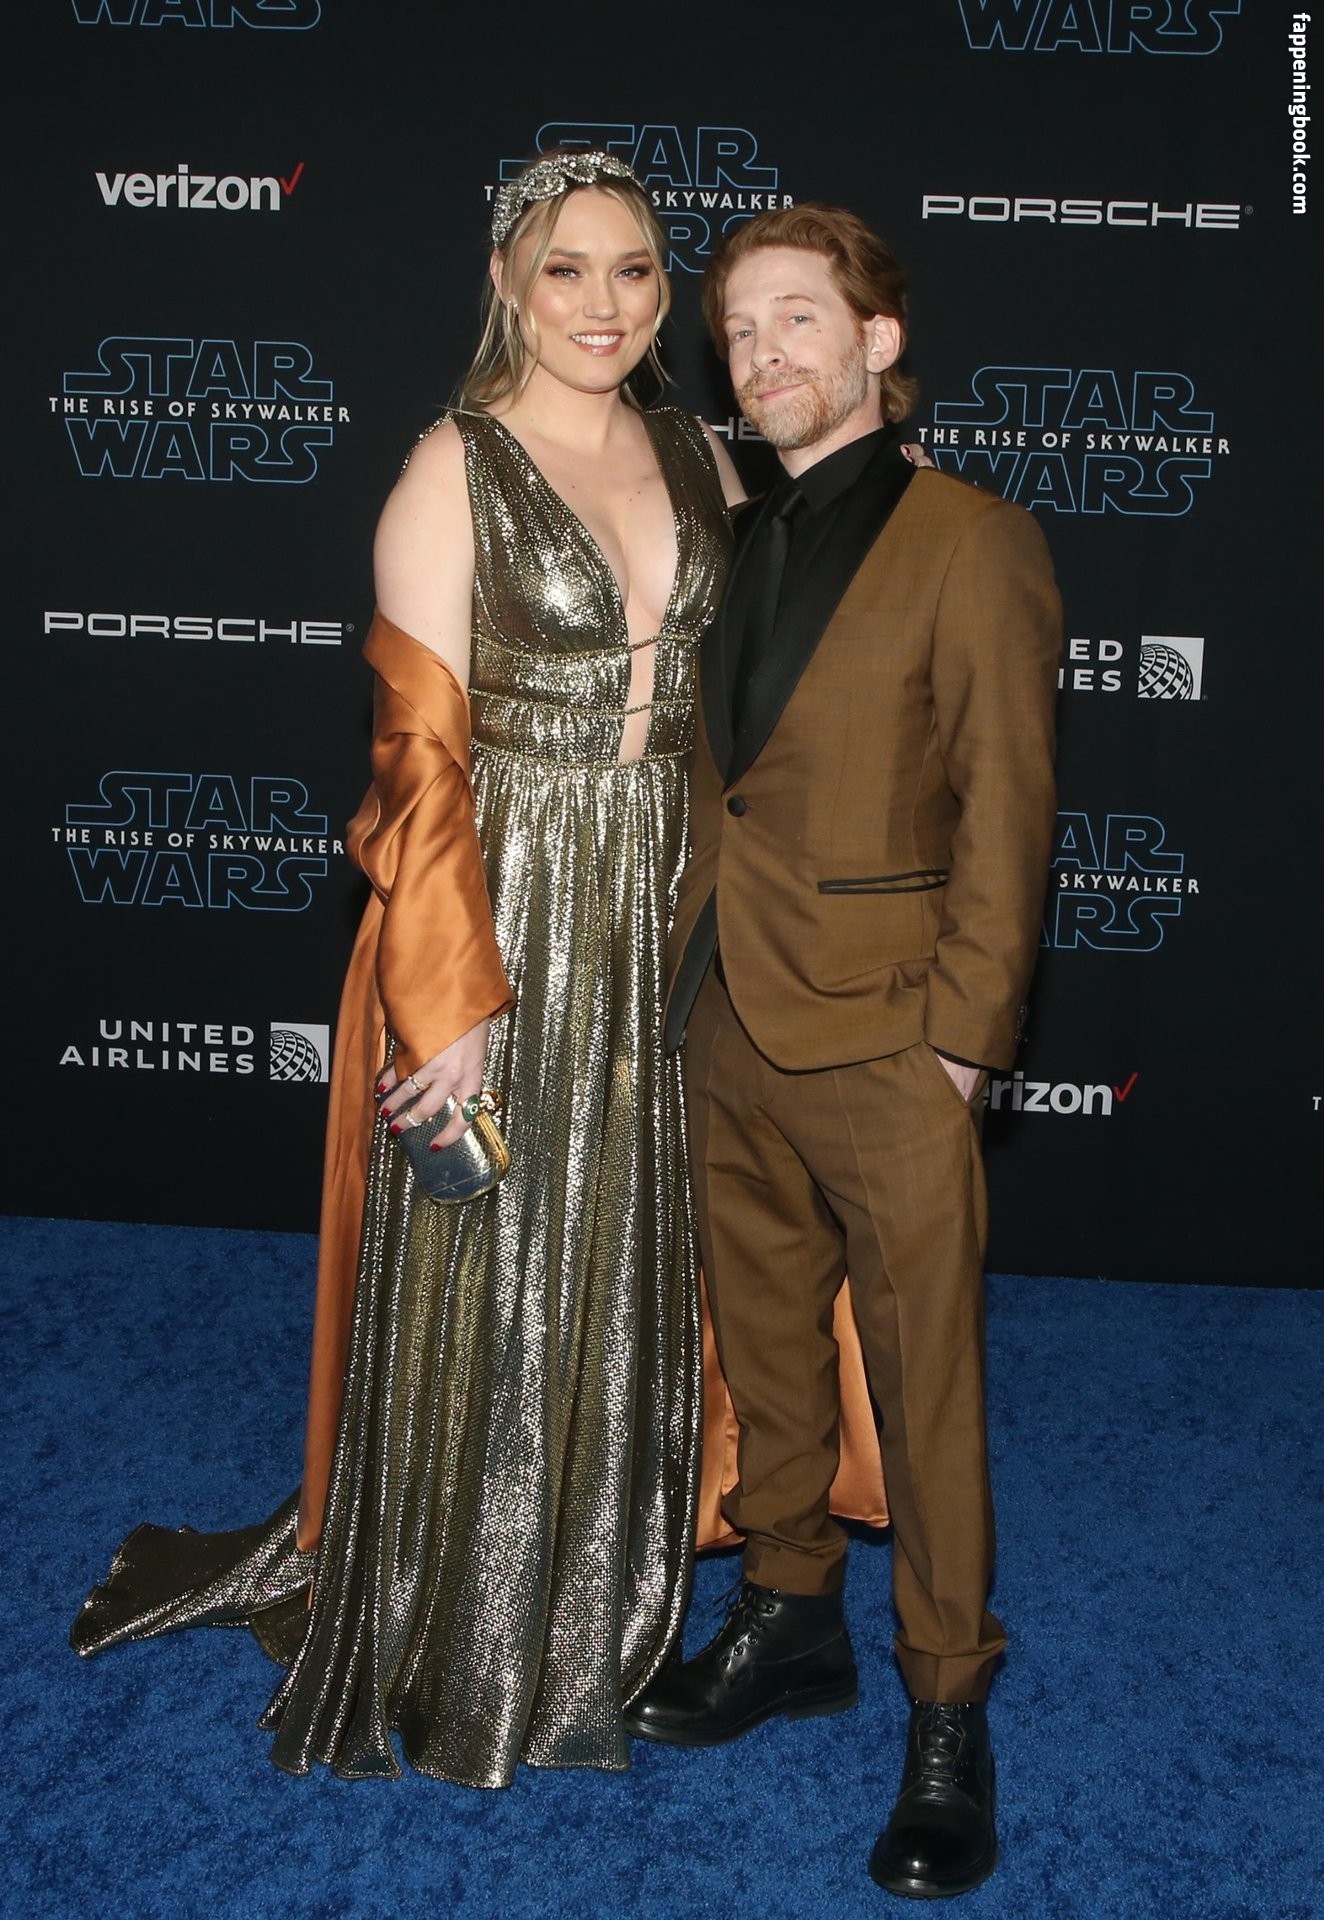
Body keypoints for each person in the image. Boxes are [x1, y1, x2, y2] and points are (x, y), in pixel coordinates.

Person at [70, 150, 745, 1788]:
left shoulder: (698, 450)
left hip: (666, 882)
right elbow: (419, 756)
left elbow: (753, 674)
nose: (603, 303)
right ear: (508, 280)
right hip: (503, 891)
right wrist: (447, 1004)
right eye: (567, 268)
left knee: (628, 1222)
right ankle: (467, 1608)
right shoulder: (455, 465)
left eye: (635, 271)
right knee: (489, 1236)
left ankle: (597, 1568)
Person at [624, 204, 1061, 1903]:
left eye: (799, 319)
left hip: (889, 1031)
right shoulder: (732, 537)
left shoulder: (975, 540)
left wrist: (964, 1043)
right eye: (740, 333)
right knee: (765, 1347)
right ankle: (791, 1608)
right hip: (725, 1011)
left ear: (880, 339)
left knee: (925, 1383)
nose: (765, 357)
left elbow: (1011, 808)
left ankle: (948, 1706)